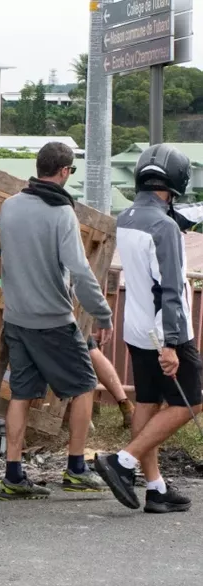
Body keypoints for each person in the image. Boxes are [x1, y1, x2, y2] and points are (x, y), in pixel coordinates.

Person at [0, 141, 112, 500]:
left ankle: (13, 475)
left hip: (16, 317)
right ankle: (76, 468)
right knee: (84, 385)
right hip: (52, 319)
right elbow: (79, 270)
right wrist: (102, 313)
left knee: (21, 394)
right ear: (64, 171)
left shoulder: (10, 206)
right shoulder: (62, 213)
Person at [96, 144, 201, 514]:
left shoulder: (125, 218)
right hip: (167, 331)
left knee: (147, 401)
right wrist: (172, 344)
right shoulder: (164, 226)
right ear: (176, 180)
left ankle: (155, 487)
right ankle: (123, 462)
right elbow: (170, 288)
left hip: (136, 328)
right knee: (193, 400)